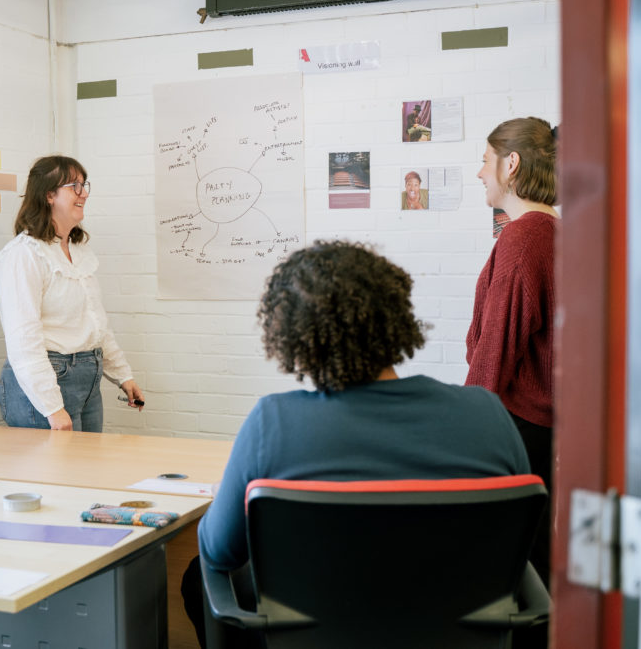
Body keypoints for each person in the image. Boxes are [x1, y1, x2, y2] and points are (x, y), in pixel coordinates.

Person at [183, 240, 531, 647]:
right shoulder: (487, 414)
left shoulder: (273, 424)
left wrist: (225, 497)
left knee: (197, 577)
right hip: (455, 635)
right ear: (395, 317)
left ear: (293, 337)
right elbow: (517, 553)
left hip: (317, 635)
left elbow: (218, 552)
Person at [466, 116, 559, 629]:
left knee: (512, 575)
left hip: (516, 433)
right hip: (539, 434)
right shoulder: (551, 231)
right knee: (534, 567)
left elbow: (491, 359)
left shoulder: (524, 239)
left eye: (485, 160)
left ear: (511, 164)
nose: (480, 173)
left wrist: (460, 433)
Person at [0, 155, 145, 431]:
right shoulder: (23, 255)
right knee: (58, 472)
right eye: (75, 186)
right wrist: (52, 407)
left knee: (86, 472)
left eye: (84, 185)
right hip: (46, 387)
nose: (84, 193)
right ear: (49, 195)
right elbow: (23, 341)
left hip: (87, 380)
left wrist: (123, 375)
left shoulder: (77, 252)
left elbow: (95, 323)